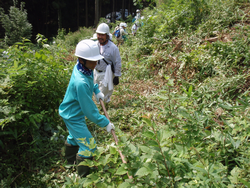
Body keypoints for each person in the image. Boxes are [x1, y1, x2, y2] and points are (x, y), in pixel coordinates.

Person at [59, 39, 115, 177]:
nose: (96, 63)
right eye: (93, 61)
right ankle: (84, 177)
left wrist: (96, 90)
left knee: (74, 137)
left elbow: (92, 80)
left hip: (73, 112)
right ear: (82, 59)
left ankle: (69, 164)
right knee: (89, 145)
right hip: (73, 116)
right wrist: (105, 123)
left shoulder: (82, 67)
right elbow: (89, 111)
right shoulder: (81, 83)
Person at [94, 23, 122, 103]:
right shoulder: (95, 45)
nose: (100, 37)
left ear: (107, 35)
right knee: (95, 91)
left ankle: (102, 108)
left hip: (106, 73)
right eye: (98, 34)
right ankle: (105, 101)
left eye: (102, 35)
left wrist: (117, 76)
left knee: (102, 93)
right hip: (95, 72)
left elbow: (117, 62)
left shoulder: (113, 48)